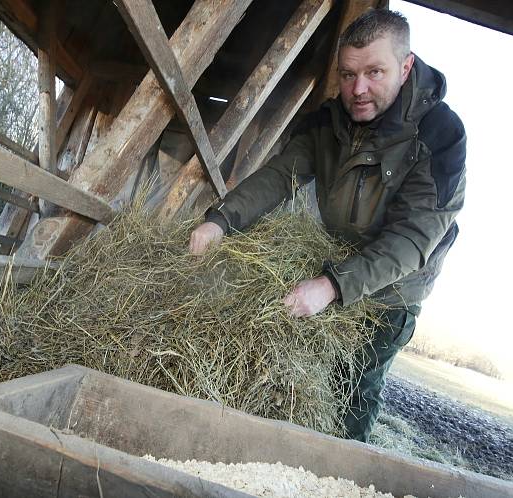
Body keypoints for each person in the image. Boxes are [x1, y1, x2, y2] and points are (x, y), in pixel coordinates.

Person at [188, 9, 466, 442]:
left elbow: (413, 240)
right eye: (348, 74)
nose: (358, 90)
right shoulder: (331, 118)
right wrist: (221, 221)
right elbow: (282, 175)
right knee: (302, 374)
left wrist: (331, 286)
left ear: (406, 65)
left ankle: (342, 469)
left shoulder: (441, 134)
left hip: (395, 286)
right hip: (340, 261)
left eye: (375, 72)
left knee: (353, 389)